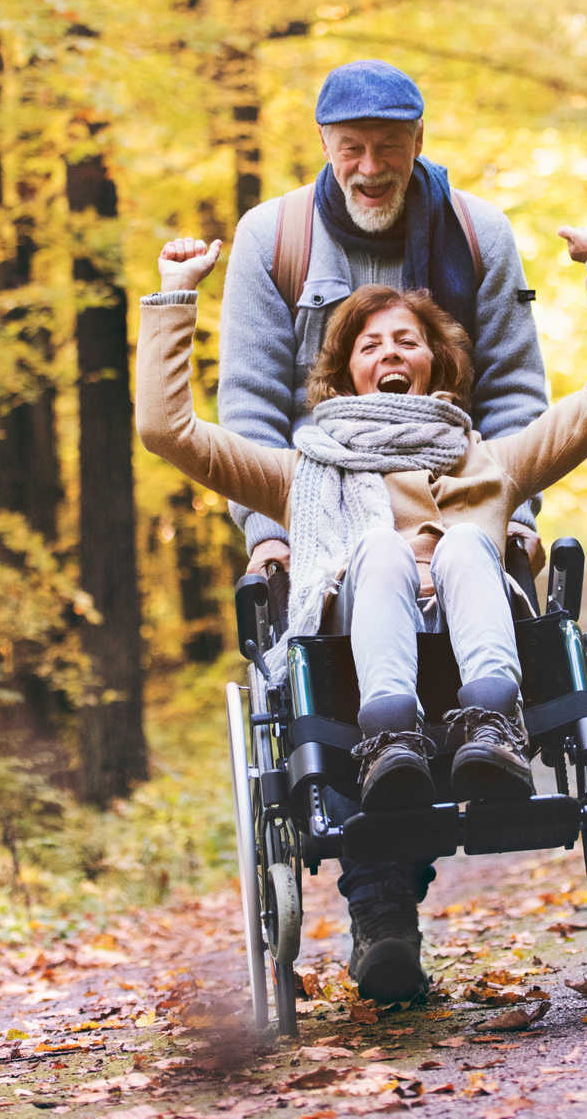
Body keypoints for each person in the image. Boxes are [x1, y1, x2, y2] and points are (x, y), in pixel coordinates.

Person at [137, 225, 587, 1000]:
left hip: (478, 641)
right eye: (370, 346)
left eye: (407, 341)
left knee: (470, 550)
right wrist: (176, 297)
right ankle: (390, 737)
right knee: (374, 550)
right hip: (357, 666)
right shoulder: (302, 471)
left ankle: (489, 725)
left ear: (437, 364)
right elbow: (168, 431)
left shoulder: (490, 460)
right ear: (344, 376)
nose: (390, 355)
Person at [210, 60, 556, 998]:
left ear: (417, 144)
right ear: (325, 147)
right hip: (320, 497)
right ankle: (382, 910)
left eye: (389, 148)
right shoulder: (272, 239)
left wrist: (507, 510)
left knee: (468, 595)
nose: (370, 168)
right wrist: (268, 532)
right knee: (344, 661)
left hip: (457, 478)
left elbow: (521, 393)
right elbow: (245, 405)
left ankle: (489, 740)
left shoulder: (478, 234)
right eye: (351, 149)